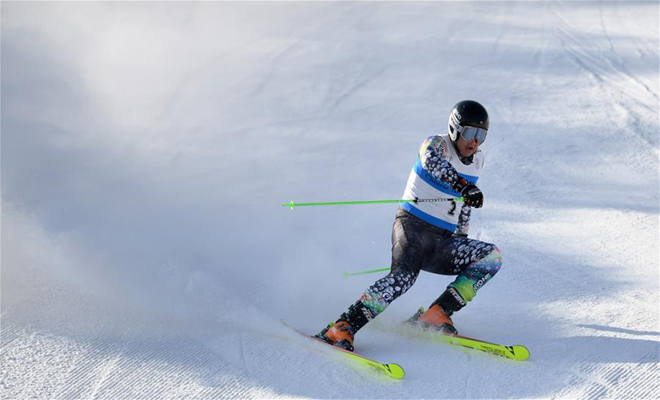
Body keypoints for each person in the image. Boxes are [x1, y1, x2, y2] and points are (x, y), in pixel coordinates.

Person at [315, 100, 503, 351]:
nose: (475, 141)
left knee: (491, 257)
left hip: (443, 241)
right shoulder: (437, 144)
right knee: (403, 278)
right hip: (413, 228)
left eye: (482, 135)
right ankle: (342, 327)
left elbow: (463, 204)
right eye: (470, 132)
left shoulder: (477, 160)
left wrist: (462, 236)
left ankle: (436, 314)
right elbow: (432, 163)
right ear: (455, 129)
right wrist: (463, 186)